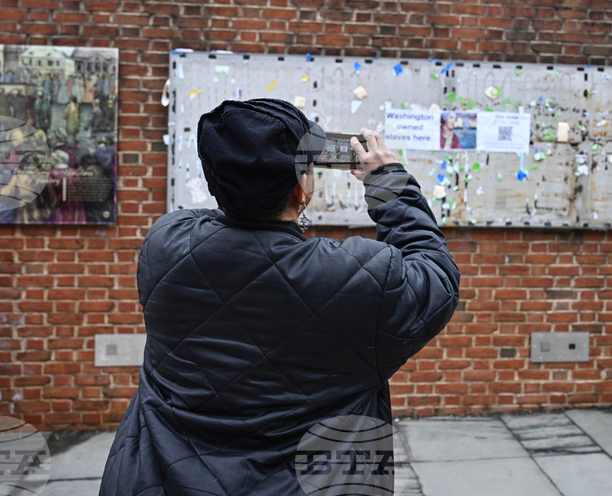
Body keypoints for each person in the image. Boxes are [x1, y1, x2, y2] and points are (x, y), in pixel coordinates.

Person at [100, 98, 460, 496]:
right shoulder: (360, 278)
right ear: (300, 188)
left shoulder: (164, 244)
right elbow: (436, 275)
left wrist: (245, 189)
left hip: (162, 480)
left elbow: (221, 222)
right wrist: (388, 182)